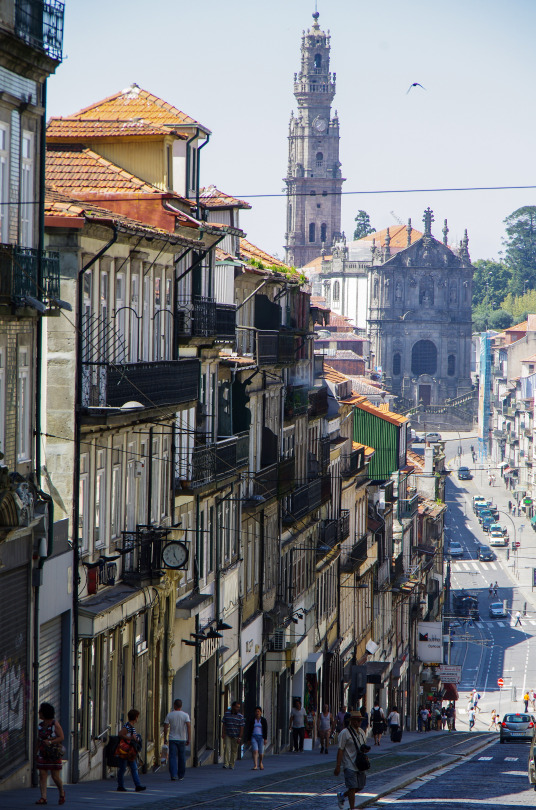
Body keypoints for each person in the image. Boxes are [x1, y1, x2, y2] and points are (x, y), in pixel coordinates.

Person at [335, 711, 368, 810]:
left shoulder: (362, 733)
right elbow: (340, 749)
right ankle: (352, 808)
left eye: (360, 720)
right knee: (352, 787)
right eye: (357, 720)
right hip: (349, 764)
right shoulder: (344, 733)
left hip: (360, 764)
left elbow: (362, 747)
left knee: (360, 786)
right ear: (352, 721)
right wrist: (338, 766)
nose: (359, 722)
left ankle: (342, 796)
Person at [35, 702, 66, 805]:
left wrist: (50, 742)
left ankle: (61, 792)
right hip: (43, 752)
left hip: (53, 753)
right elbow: (38, 740)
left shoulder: (54, 724)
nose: (39, 713)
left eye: (40, 712)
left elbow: (61, 737)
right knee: (42, 774)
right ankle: (43, 797)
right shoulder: (40, 726)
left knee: (55, 776)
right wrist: (35, 752)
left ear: (45, 713)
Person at [117, 708, 146, 792]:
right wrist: (130, 738)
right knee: (123, 768)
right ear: (135, 717)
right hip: (125, 750)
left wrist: (136, 739)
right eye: (137, 717)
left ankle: (137, 785)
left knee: (133, 768)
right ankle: (120, 785)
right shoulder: (128, 726)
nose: (138, 718)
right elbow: (120, 734)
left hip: (130, 751)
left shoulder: (131, 726)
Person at [163, 698, 191, 781]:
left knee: (172, 757)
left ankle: (173, 774)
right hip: (182, 738)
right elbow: (188, 726)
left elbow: (166, 726)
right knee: (182, 757)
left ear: (174, 705)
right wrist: (189, 738)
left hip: (172, 738)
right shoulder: (185, 715)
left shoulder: (170, 715)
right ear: (181, 706)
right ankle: (181, 775)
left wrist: (165, 737)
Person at [222, 700, 244, 769]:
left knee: (234, 750)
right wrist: (223, 733)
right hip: (228, 734)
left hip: (236, 735)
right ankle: (226, 763)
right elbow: (224, 724)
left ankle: (231, 764)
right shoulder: (226, 714)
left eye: (239, 707)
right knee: (227, 748)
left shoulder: (240, 716)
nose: (238, 708)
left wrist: (240, 737)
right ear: (233, 707)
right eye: (236, 707)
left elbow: (241, 727)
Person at [246, 706, 267, 770]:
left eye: (258, 711)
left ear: (261, 712)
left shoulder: (263, 720)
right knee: (255, 751)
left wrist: (265, 738)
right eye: (256, 711)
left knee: (261, 753)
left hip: (261, 737)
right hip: (254, 736)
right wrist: (248, 739)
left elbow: (265, 729)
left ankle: (260, 762)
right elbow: (249, 729)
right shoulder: (252, 720)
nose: (257, 713)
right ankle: (255, 765)